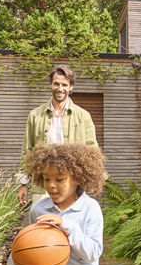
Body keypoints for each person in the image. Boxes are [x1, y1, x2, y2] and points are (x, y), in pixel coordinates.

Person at [17, 65, 98, 208]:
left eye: (64, 85)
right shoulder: (35, 115)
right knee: (42, 221)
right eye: (56, 84)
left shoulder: (83, 116)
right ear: (50, 84)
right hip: (42, 186)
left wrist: (96, 179)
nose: (60, 88)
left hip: (73, 186)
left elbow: (93, 150)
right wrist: (23, 184)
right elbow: (27, 151)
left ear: (71, 87)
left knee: (70, 222)